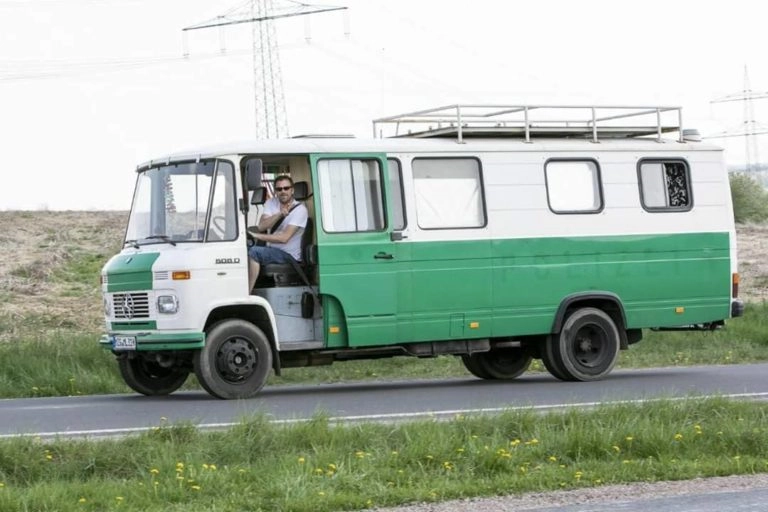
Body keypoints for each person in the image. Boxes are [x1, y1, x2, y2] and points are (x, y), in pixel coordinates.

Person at [248, 175, 308, 291]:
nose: (283, 191)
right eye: (279, 189)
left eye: (286, 188)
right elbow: (262, 226)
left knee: (254, 252)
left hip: (288, 255)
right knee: (243, 249)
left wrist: (256, 236)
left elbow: (284, 238)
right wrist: (279, 214)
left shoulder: (300, 210)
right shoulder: (271, 203)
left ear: (292, 190)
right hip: (273, 250)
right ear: (275, 191)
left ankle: (246, 295)